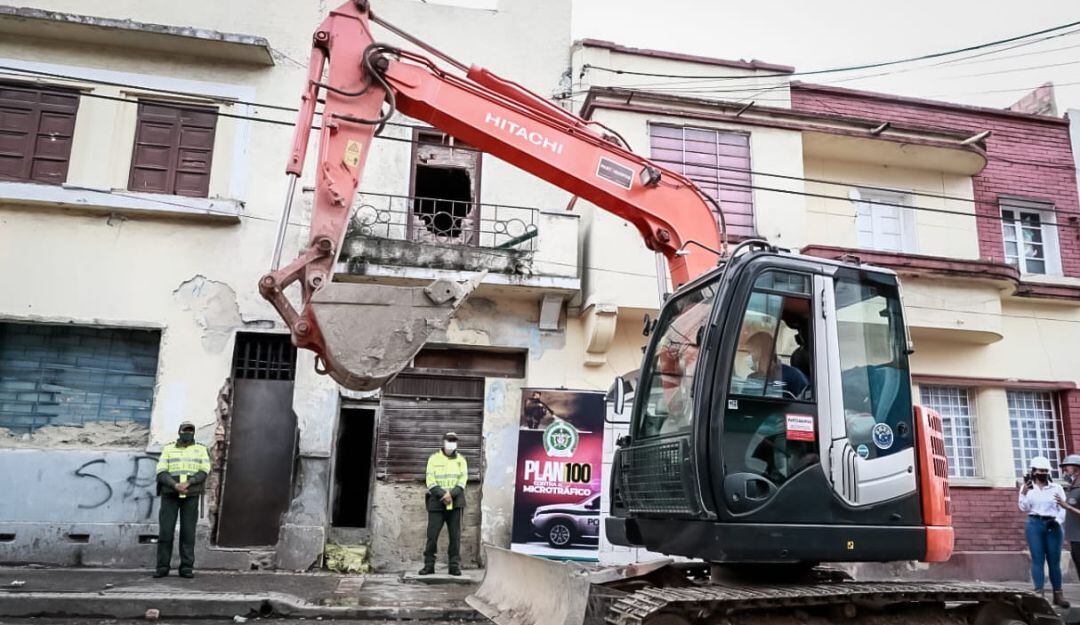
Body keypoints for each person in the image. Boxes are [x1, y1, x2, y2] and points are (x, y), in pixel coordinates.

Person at [154, 421, 210, 579]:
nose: (188, 433)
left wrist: (189, 483)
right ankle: (162, 567)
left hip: (191, 496)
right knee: (166, 532)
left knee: (188, 533)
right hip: (170, 495)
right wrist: (174, 485)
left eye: (191, 431)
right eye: (185, 430)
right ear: (179, 432)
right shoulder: (168, 448)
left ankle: (186, 568)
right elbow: (161, 471)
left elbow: (205, 470)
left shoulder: (200, 449)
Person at [1018, 455, 1070, 607]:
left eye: (1046, 471)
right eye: (1041, 470)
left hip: (1053, 524)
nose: (1044, 473)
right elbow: (1024, 508)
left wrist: (1058, 521)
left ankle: (1058, 594)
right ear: (1033, 471)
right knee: (1037, 559)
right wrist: (1025, 493)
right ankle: (1038, 594)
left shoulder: (1057, 488)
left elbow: (1063, 508)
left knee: (1054, 561)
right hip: (1035, 524)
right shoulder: (1026, 488)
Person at [420, 432, 468, 576]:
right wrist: (443, 495)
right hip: (437, 502)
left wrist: (451, 494)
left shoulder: (461, 460)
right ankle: (429, 565)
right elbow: (430, 480)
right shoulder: (433, 459)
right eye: (449, 440)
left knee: (455, 537)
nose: (451, 443)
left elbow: (462, 480)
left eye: (454, 441)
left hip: (455, 502)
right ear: (443, 442)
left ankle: (454, 566)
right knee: (432, 536)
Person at [745, 332, 809, 399]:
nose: (748, 356)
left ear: (760, 351)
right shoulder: (752, 378)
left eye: (750, 352)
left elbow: (805, 403)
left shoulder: (793, 376)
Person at [1055, 454, 1080, 598]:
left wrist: (1067, 506)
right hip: (1075, 539)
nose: (1064, 470)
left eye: (1067, 467)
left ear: (1077, 468)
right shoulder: (1073, 487)